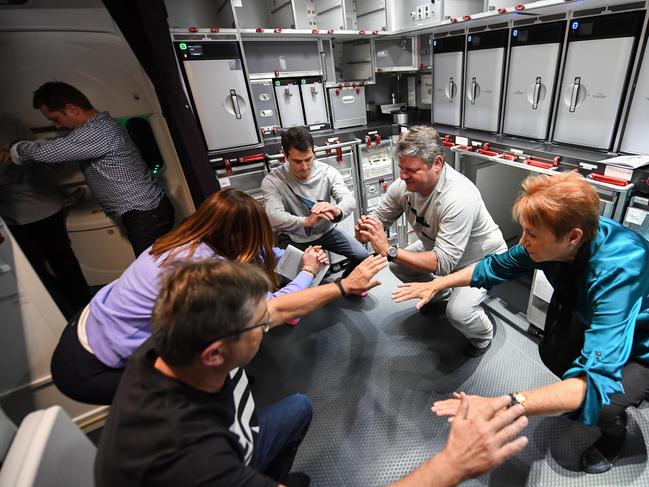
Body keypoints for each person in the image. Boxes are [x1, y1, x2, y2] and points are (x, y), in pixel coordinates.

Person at [95, 259, 529, 486]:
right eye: (258, 322)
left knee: (298, 408)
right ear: (215, 354)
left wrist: (343, 286)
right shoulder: (188, 459)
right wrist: (452, 465)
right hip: (220, 463)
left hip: (240, 439)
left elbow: (281, 307)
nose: (269, 322)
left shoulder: (177, 336)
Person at [393, 172, 649, 474]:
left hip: (641, 342)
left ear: (573, 237)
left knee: (603, 400)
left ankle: (613, 437)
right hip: (590, 315)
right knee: (555, 355)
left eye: (533, 235)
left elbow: (596, 379)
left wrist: (506, 404)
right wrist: (439, 284)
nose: (523, 242)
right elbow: (495, 266)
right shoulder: (560, 236)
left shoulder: (619, 270)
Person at [50, 188, 330, 405]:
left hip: (86, 325)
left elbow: (256, 252)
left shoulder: (190, 238)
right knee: (189, 399)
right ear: (236, 237)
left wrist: (290, 257)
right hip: (94, 366)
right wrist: (307, 272)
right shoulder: (203, 273)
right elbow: (271, 310)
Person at [356, 126, 507, 357]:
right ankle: (439, 296)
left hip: (481, 259)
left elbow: (443, 263)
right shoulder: (403, 187)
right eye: (401, 168)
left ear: (437, 163)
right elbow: (380, 218)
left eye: (411, 170)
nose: (403, 176)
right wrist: (366, 230)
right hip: (439, 249)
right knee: (398, 265)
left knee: (459, 313)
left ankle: (483, 336)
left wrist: (389, 249)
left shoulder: (458, 196)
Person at [1, 81, 174, 257]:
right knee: (156, 266)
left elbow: (50, 152)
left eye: (55, 119)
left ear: (71, 109)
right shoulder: (93, 129)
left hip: (145, 215)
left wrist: (16, 147)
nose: (57, 126)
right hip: (144, 212)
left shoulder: (98, 131)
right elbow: (58, 155)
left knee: (153, 270)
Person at [0, 117, 89, 316]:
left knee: (63, 262)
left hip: (43, 207)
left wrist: (15, 156)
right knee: (33, 270)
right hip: (11, 216)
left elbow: (42, 155)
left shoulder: (11, 123)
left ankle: (84, 308)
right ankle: (61, 311)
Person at [261, 127, 369, 277]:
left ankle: (344, 285)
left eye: (308, 159)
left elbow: (348, 200)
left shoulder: (327, 171)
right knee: (287, 278)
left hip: (327, 231)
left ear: (313, 153)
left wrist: (336, 210)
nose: (304, 167)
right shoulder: (273, 180)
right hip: (295, 237)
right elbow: (273, 215)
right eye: (297, 161)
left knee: (362, 257)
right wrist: (306, 222)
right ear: (285, 155)